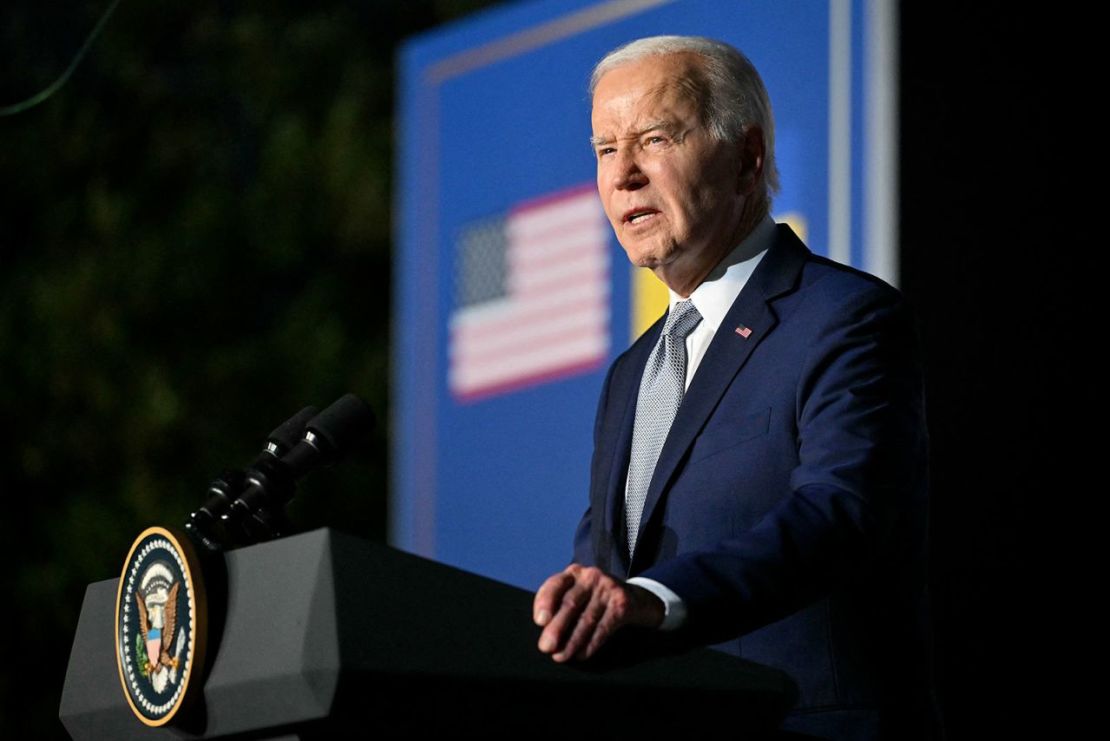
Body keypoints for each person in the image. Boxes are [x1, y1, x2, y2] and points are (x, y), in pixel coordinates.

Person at [532, 36, 940, 740]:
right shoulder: (631, 375)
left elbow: (840, 512)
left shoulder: (842, 318)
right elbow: (603, 573)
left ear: (748, 158)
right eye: (605, 149)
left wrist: (655, 601)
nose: (623, 175)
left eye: (654, 138)